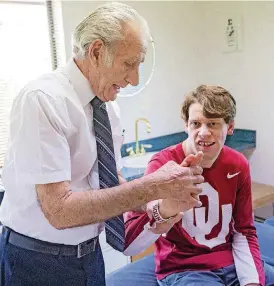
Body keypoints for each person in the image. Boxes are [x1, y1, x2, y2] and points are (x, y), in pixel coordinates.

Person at [0, 2, 204, 286]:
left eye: (139, 66)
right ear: (97, 51)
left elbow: (109, 181)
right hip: (37, 262)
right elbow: (59, 210)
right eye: (129, 64)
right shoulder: (43, 99)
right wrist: (153, 185)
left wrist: (163, 199)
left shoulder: (108, 109)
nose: (134, 80)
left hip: (90, 258)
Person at [123, 85, 274, 286]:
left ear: (229, 127)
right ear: (186, 125)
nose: (203, 132)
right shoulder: (162, 165)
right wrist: (166, 208)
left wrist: (252, 282)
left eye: (212, 123)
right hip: (185, 269)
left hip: (231, 261)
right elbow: (129, 244)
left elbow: (244, 230)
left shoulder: (238, 164)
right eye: (196, 123)